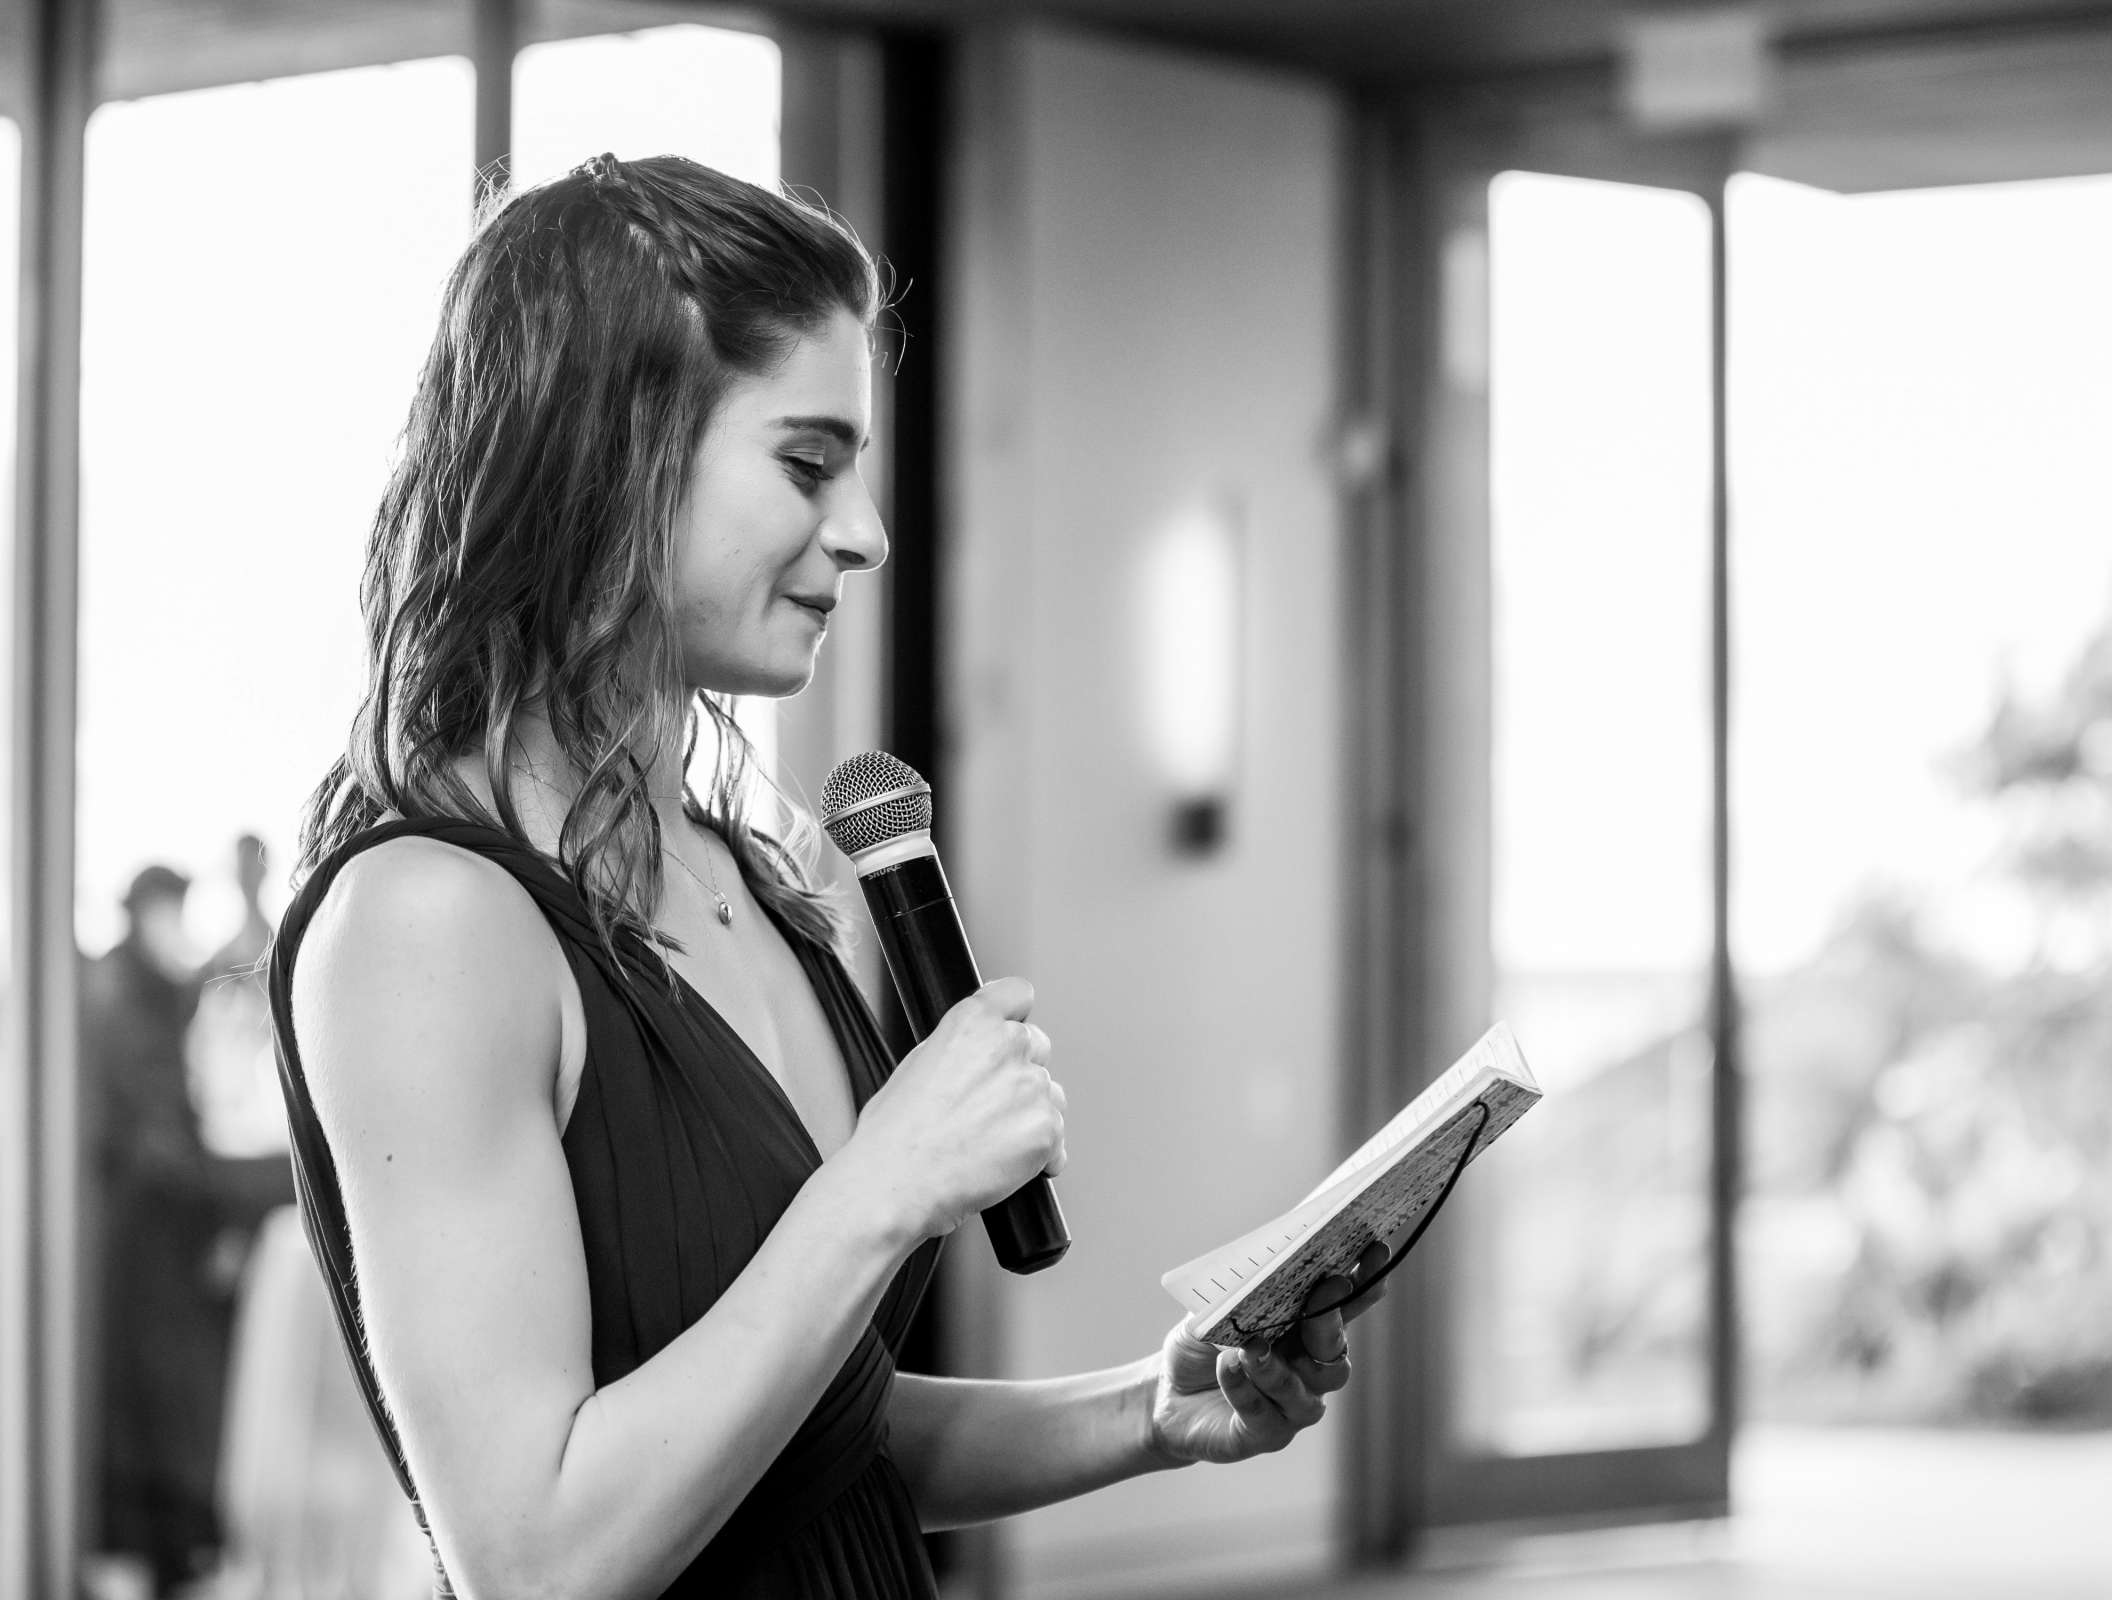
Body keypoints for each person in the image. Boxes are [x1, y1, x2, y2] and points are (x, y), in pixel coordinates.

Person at [267, 153, 1382, 1600]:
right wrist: (881, 1188)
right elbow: (534, 1557)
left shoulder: (755, 875)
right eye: (806, 462)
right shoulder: (428, 924)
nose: (865, 532)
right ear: (615, 451)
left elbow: (817, 1441)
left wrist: (1148, 1413)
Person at [86, 863, 228, 1596]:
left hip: (157, 1220)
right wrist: (236, 1189)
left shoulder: (157, 988)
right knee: (142, 1400)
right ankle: (144, 1552)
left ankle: (164, 1550)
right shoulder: (121, 991)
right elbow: (154, 1130)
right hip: (136, 1225)